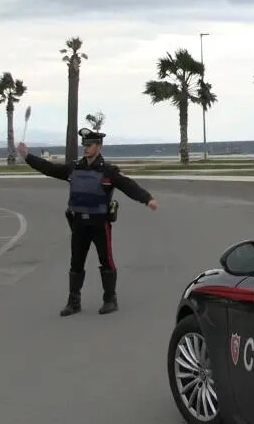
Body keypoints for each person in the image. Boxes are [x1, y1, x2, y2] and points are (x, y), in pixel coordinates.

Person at [17, 128, 158, 317]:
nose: (85, 148)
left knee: (106, 260)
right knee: (76, 262)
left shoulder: (108, 171)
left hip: (100, 223)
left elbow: (128, 185)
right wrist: (27, 156)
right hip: (78, 224)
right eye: (84, 145)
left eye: (89, 145)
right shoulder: (74, 168)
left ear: (99, 147)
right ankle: (73, 302)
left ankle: (110, 299)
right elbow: (49, 168)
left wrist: (147, 199)